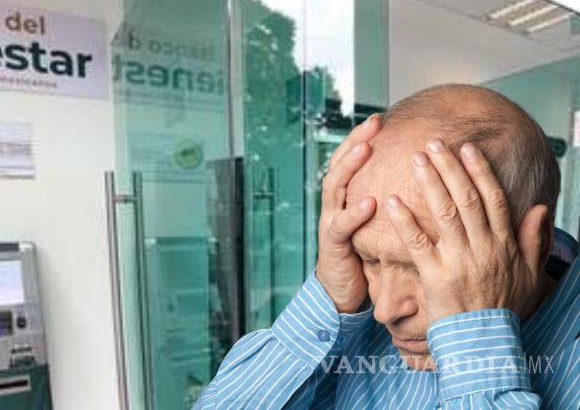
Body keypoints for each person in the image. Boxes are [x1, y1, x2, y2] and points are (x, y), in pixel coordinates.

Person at [194, 84, 579, 409]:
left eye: (423, 267)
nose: (385, 310)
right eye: (371, 259)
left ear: (537, 243)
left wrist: (475, 347)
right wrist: (329, 298)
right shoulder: (356, 318)